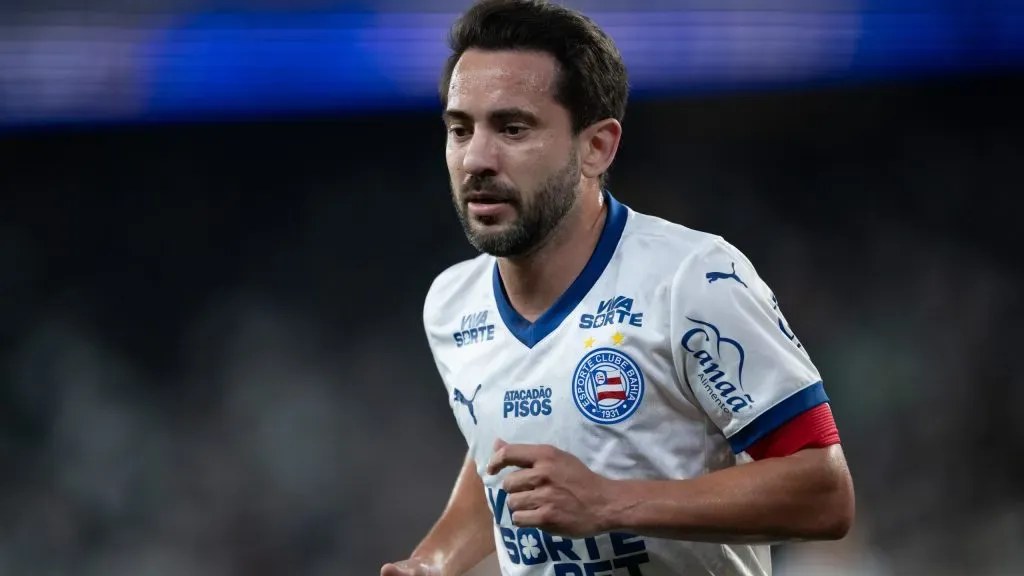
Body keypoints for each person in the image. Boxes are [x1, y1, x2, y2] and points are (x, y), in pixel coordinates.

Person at [381, 1, 855, 574]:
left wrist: (610, 502)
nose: (477, 158)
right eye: (460, 129)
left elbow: (823, 490)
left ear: (596, 147)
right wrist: (432, 561)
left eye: (513, 128)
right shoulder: (452, 305)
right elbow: (500, 468)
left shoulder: (694, 280)